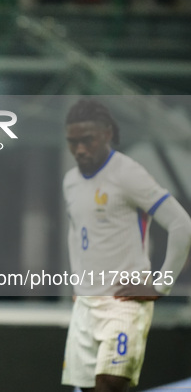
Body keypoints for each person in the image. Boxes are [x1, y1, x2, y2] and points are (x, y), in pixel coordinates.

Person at [61, 99, 191, 391]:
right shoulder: (71, 180)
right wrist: (77, 281)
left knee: (109, 383)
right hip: (86, 303)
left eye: (87, 140)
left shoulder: (128, 173)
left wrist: (161, 285)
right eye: (73, 142)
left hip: (124, 302)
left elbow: (181, 224)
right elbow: (76, 232)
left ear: (107, 133)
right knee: (87, 388)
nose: (80, 149)